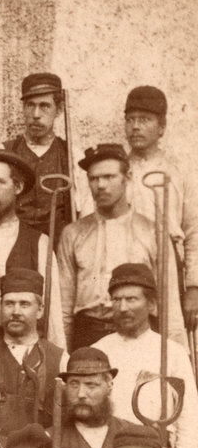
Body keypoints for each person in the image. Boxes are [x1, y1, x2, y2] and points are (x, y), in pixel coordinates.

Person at [59, 143, 180, 349]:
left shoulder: (152, 231)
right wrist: (63, 356)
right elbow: (64, 306)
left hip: (139, 336)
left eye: (109, 177)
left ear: (127, 178)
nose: (101, 185)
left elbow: (170, 304)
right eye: (94, 178)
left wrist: (176, 353)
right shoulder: (73, 233)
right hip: (89, 336)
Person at [95, 263, 198, 448]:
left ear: (151, 304)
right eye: (117, 300)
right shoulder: (99, 351)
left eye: (131, 299)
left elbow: (190, 415)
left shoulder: (172, 352)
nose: (123, 307)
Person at [0, 150, 65, 350]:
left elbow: (53, 317)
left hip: (24, 352)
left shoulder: (39, 243)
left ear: (18, 187)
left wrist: (56, 362)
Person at [122, 86, 198, 329]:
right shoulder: (117, 171)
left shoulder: (179, 171)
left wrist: (193, 287)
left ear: (162, 127)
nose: (135, 127)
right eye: (130, 119)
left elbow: (194, 230)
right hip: (125, 268)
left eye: (144, 120)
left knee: (168, 337)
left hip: (168, 270)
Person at [0, 269, 64, 436]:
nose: (16, 312)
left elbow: (67, 420)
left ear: (39, 310)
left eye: (24, 304)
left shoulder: (59, 359)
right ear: (1, 307)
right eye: (9, 304)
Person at [2, 73, 74, 237]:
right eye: (30, 105)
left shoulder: (71, 155)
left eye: (44, 106)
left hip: (57, 241)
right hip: (13, 241)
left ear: (59, 109)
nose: (36, 114)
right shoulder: (4, 153)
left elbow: (83, 212)